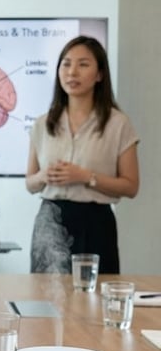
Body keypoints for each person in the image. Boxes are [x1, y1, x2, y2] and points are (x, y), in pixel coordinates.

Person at [26, 35, 139, 274]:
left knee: (95, 300)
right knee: (46, 300)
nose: (72, 72)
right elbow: (30, 183)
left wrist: (86, 176)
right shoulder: (43, 124)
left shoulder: (118, 123)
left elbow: (131, 186)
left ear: (99, 75)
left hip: (95, 222)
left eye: (83, 64)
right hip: (50, 219)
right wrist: (45, 175)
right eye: (66, 64)